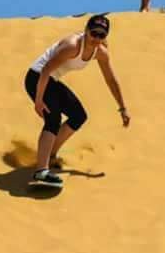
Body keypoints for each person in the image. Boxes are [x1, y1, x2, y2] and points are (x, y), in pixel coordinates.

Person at [24, 15, 130, 187]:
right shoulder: (72, 45)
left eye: (101, 35)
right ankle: (41, 171)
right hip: (37, 78)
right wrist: (38, 100)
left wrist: (123, 108)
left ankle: (50, 154)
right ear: (86, 30)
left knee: (78, 115)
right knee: (53, 119)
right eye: (93, 33)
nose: (96, 38)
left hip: (52, 80)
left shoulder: (101, 53)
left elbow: (110, 80)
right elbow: (45, 70)